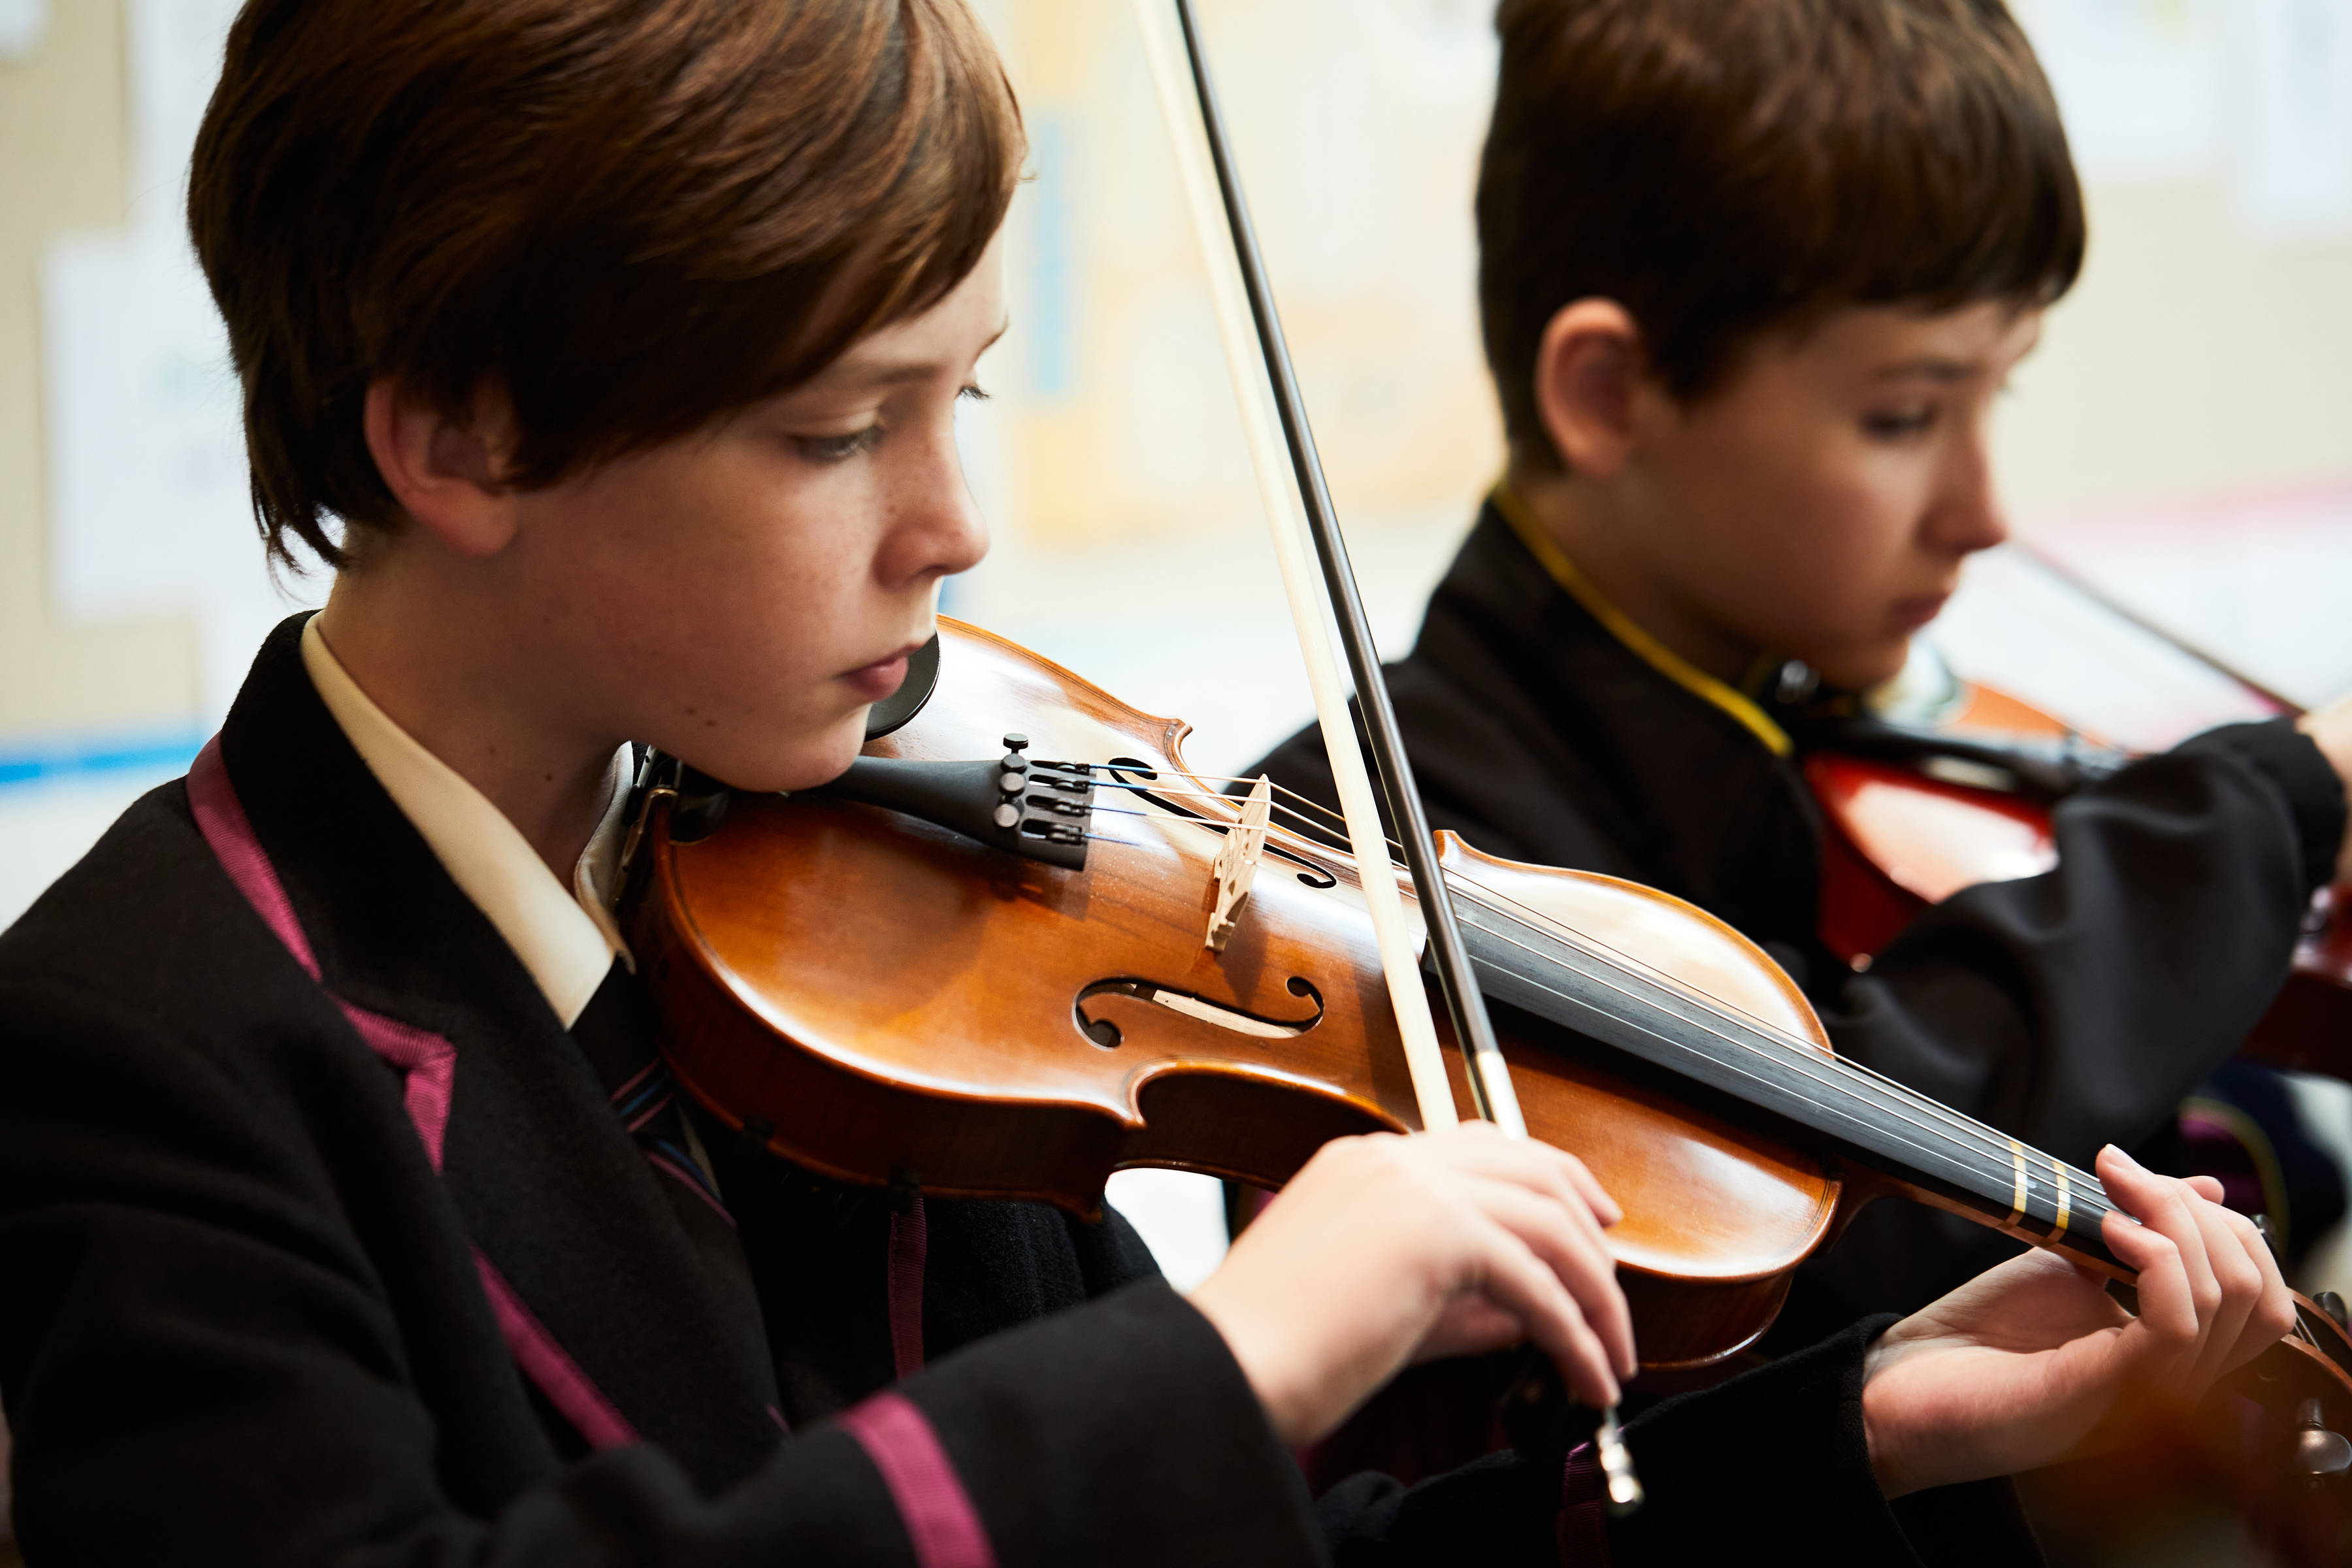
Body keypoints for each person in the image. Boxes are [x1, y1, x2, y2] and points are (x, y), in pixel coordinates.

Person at [0, 1, 2293, 1563]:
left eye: (965, 393)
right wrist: (1231, 1349)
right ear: (461, 438)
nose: (954, 523)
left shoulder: (880, 887)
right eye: (836, 432)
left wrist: (1864, 1426)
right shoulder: (138, 1042)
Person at [1249, 0, 2352, 1341]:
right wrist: (2270, 803)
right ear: (1606, 394)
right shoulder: (1357, 861)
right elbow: (1836, 1175)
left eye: (1997, 392)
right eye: (1904, 415)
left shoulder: (1814, 731)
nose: (1985, 508)